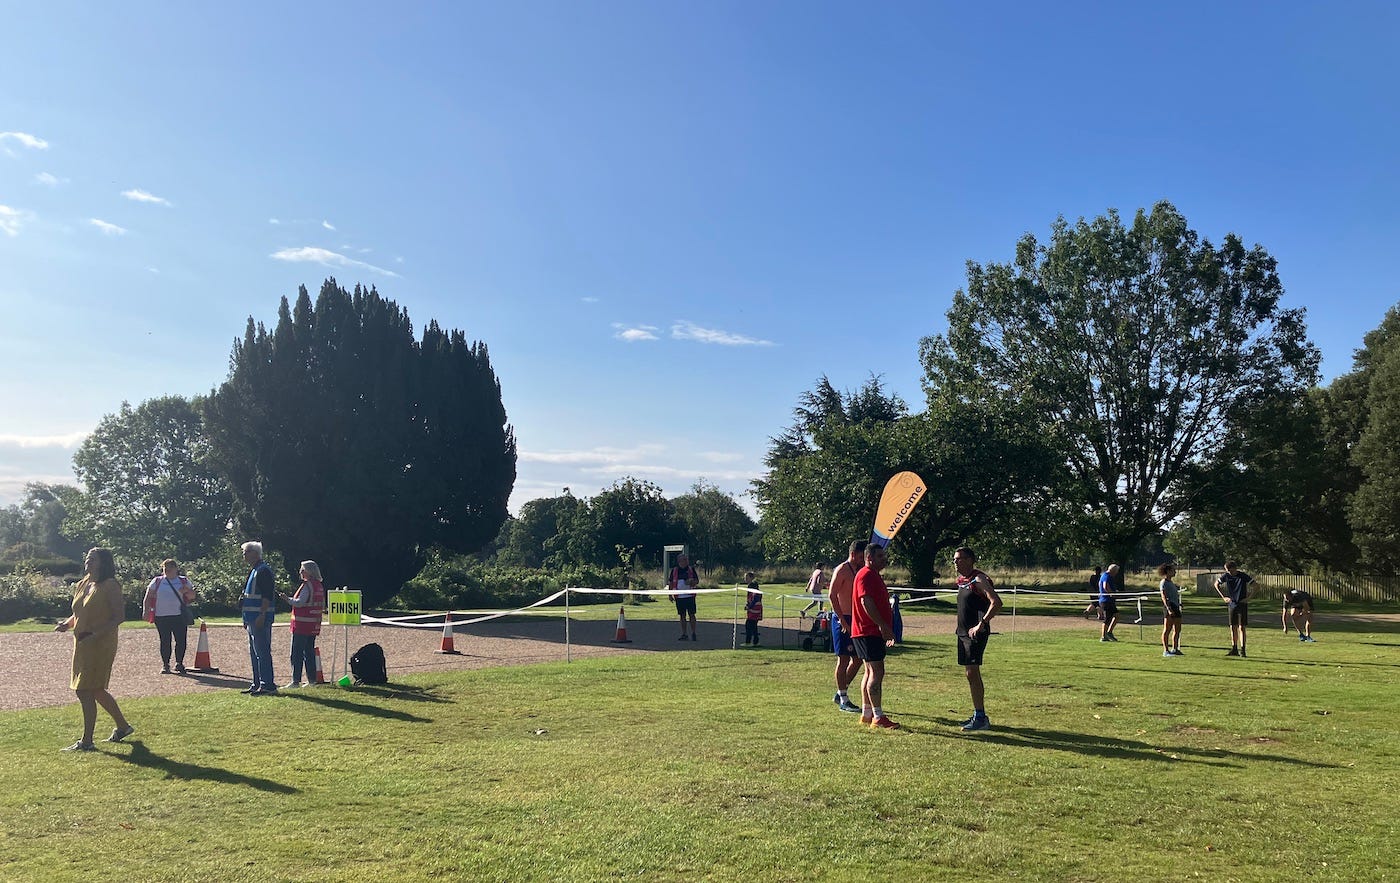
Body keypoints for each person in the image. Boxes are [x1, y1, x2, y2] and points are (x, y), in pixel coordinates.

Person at [54, 548, 134, 751]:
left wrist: (95, 635)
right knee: (96, 688)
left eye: (93, 558)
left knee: (84, 690)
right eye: (87, 557)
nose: (88, 560)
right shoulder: (83, 583)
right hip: (82, 643)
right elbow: (79, 613)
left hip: (101, 643)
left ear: (103, 562)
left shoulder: (110, 585)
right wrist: (67, 624)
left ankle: (87, 741)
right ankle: (123, 727)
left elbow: (118, 617)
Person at [953, 547, 1002, 732]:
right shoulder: (963, 581)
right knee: (969, 673)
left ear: (970, 560)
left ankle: (981, 717)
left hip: (975, 633)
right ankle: (977, 713)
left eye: (959, 559)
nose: (955, 562)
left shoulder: (979, 579)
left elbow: (996, 602)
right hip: (963, 633)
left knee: (972, 672)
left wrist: (981, 624)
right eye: (954, 559)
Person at [851, 543, 899, 730]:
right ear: (869, 558)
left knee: (869, 671)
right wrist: (883, 626)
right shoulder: (866, 575)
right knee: (877, 672)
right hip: (869, 631)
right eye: (880, 556)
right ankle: (878, 716)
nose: (884, 559)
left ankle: (867, 713)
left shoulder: (871, 575)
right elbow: (866, 601)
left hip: (865, 631)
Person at [827, 540, 866, 713]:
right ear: (853, 554)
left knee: (858, 659)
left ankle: (840, 692)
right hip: (843, 618)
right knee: (843, 658)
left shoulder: (861, 570)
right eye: (860, 556)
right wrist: (841, 619)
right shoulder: (842, 569)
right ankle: (843, 699)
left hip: (857, 618)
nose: (863, 559)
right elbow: (832, 595)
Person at [143, 558, 197, 674]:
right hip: (161, 615)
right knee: (165, 640)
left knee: (181, 640)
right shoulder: (157, 581)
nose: (167, 571)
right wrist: (146, 611)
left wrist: (187, 591)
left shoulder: (183, 581)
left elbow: (193, 596)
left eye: (170, 568)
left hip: (179, 615)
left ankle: (179, 663)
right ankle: (165, 664)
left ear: (176, 569)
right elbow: (148, 597)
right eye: (165, 569)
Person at [241, 541, 279, 694]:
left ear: (255, 553)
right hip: (251, 618)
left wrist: (262, 614)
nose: (244, 555)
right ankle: (257, 683)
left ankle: (267, 684)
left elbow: (267, 595)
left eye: (247, 551)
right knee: (255, 652)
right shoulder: (255, 570)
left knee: (262, 652)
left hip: (259, 618)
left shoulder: (263, 571)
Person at [280, 560, 326, 686]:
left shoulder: (307, 585)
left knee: (296, 653)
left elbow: (300, 602)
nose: (300, 572)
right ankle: (312, 680)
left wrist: (287, 599)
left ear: (309, 572)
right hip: (313, 624)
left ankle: (295, 681)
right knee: (309, 652)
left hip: (301, 625)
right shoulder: (318, 585)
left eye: (302, 569)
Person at [1215, 560, 1256, 657]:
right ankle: (1234, 648)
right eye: (1227, 570)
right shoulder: (1226, 576)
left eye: (1230, 570)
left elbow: (1256, 586)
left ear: (1234, 568)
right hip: (1232, 603)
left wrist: (1249, 598)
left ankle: (1243, 649)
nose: (1228, 572)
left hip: (1242, 603)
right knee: (1232, 626)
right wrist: (1223, 597)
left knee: (1242, 627)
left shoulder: (1243, 576)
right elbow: (1216, 584)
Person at [669, 552, 699, 641]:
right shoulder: (674, 570)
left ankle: (693, 633)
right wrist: (670, 594)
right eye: (684, 560)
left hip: (690, 596)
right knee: (682, 616)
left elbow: (697, 581)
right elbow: (670, 583)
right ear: (679, 561)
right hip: (679, 597)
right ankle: (684, 633)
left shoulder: (691, 569)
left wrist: (692, 581)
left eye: (686, 560)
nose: (686, 561)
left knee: (692, 615)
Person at [1158, 562, 1183, 656]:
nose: (1175, 572)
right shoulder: (1163, 582)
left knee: (1177, 629)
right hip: (1169, 607)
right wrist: (1169, 609)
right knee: (1167, 629)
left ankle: (1175, 649)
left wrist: (1179, 603)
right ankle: (1166, 650)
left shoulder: (1171, 582)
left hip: (1176, 607)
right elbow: (1164, 596)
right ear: (1168, 571)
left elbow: (1173, 595)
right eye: (1173, 570)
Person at [1099, 564, 1120, 642]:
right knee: (1107, 619)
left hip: (1110, 601)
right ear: (1113, 571)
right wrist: (1111, 594)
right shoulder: (1106, 576)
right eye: (1116, 571)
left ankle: (1109, 632)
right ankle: (1103, 636)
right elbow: (1105, 587)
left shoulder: (1108, 576)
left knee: (1117, 616)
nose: (1116, 573)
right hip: (1106, 601)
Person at [743, 571, 763, 646]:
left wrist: (749, 606)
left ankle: (748, 642)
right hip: (754, 608)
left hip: (755, 609)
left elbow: (755, 597)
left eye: (747, 577)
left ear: (751, 578)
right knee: (753, 626)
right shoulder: (751, 585)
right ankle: (755, 642)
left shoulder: (752, 585)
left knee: (749, 625)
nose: (745, 579)